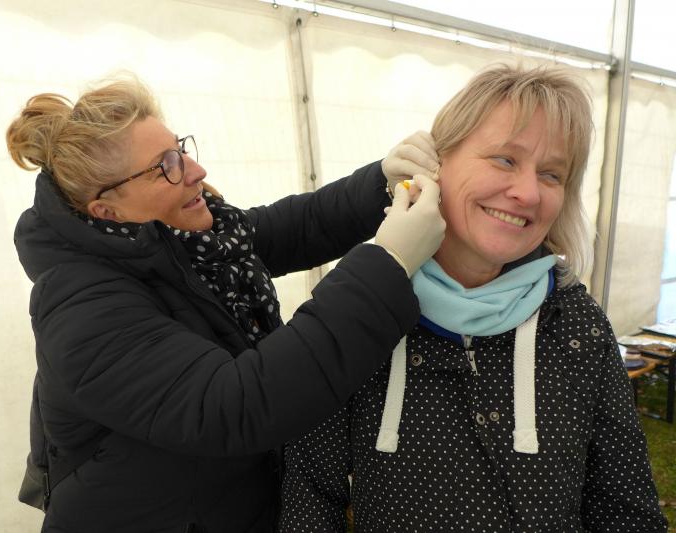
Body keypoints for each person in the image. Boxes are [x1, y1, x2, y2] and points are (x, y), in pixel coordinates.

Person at [6, 74, 446, 532]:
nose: (195, 171)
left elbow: (297, 227)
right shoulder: (82, 308)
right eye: (165, 166)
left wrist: (381, 183)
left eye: (180, 149)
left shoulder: (192, 242)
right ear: (107, 210)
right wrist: (387, 265)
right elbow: (234, 405)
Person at [279, 64, 669, 532]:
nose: (527, 193)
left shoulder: (576, 323)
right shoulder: (361, 310)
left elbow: (626, 510)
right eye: (505, 159)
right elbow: (308, 500)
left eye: (551, 174)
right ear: (435, 164)